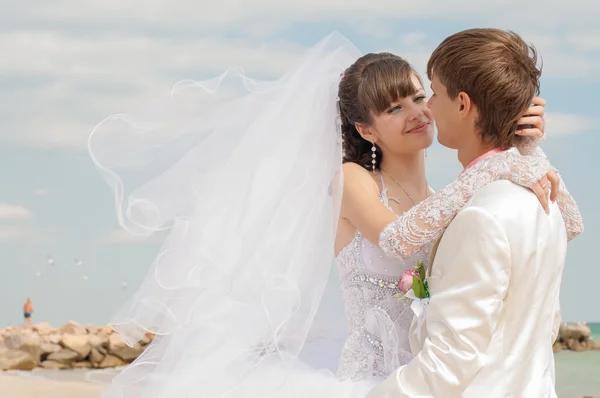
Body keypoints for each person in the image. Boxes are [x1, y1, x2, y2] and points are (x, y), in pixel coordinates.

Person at [88, 31, 582, 397]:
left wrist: (526, 153)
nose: (419, 111)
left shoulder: (444, 194)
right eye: (394, 108)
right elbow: (396, 241)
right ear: (367, 131)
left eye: (418, 95)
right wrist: (496, 168)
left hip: (435, 374)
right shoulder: (352, 181)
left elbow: (556, 226)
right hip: (377, 377)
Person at [366, 28, 580, 398]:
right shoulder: (548, 202)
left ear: (462, 104)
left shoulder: (482, 215)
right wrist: (522, 152)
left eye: (433, 92)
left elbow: (448, 365)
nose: (428, 107)